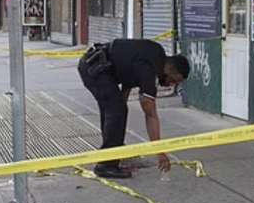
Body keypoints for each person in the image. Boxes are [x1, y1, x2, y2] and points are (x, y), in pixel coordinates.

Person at [78, 39, 190, 179]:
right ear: (170, 70)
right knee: (116, 110)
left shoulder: (155, 53)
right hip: (95, 69)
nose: (171, 84)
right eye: (174, 80)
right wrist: (160, 153)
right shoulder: (150, 69)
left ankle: (112, 153)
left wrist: (118, 118)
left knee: (114, 110)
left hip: (95, 64)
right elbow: (150, 114)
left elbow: (127, 79)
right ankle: (106, 165)